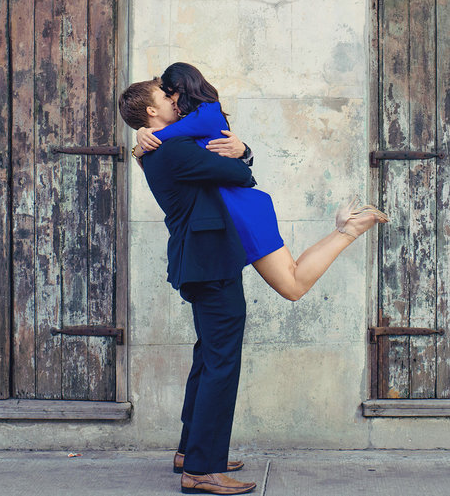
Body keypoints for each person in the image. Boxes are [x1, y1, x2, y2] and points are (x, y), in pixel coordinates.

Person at [133, 62, 387, 302]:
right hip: (239, 207)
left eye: (170, 95)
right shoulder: (196, 120)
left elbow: (168, 139)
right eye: (165, 97)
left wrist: (142, 141)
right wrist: (142, 140)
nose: (172, 103)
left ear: (181, 89)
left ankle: (348, 231)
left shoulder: (202, 115)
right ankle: (346, 229)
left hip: (239, 210)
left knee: (292, 286)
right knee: (292, 275)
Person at [119, 79, 259, 495]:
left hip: (199, 262)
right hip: (209, 263)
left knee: (207, 357)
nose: (175, 99)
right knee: (222, 363)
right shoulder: (174, 150)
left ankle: (190, 451)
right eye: (166, 96)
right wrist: (241, 154)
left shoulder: (159, 148)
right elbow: (240, 175)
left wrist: (240, 150)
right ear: (150, 112)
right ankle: (202, 469)